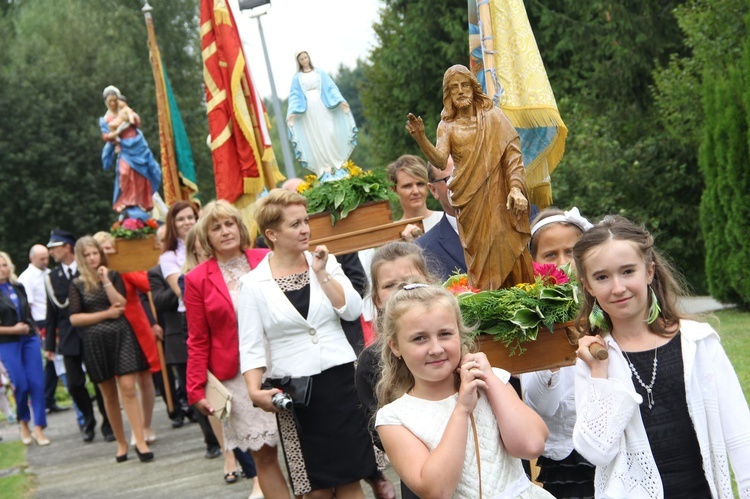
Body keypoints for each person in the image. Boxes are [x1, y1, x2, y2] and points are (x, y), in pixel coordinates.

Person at [572, 215, 750, 498]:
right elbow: (595, 451)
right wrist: (599, 373)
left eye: (628, 271)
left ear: (649, 271)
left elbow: (742, 436)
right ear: (588, 286)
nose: (617, 287)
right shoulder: (593, 359)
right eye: (602, 277)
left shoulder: (698, 343)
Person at [238, 188, 378, 498]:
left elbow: (353, 310)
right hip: (297, 392)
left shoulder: (325, 263)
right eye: (295, 224)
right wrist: (253, 391)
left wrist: (323, 273)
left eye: (305, 221)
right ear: (271, 233)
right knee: (314, 489)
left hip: (341, 380)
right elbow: (250, 346)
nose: (305, 229)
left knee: (350, 479)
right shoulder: (251, 284)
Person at [374, 284, 552, 497]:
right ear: (395, 346)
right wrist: (461, 410)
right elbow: (436, 490)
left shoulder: (489, 380)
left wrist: (491, 379)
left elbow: (531, 444)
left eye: (445, 334)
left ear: (460, 333)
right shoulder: (395, 418)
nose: (436, 349)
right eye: (419, 338)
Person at [184, 200, 288, 498]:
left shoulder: (267, 258)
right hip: (237, 377)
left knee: (305, 447)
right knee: (264, 456)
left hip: (283, 360)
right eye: (216, 227)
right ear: (206, 237)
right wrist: (195, 389)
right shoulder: (196, 279)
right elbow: (197, 338)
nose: (225, 231)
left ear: (240, 228)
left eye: (229, 223)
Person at [406, 64, 534, 290]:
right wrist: (421, 139)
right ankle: (488, 299)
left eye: (465, 85)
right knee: (480, 253)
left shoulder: (494, 117)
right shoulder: (446, 126)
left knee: (506, 242)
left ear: (474, 88)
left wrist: (515, 188)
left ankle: (520, 294)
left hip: (499, 194)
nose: (461, 91)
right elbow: (438, 160)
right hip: (469, 200)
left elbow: (512, 156)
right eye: (454, 87)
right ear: (448, 94)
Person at [519, 207, 595, 498]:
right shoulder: (530, 321)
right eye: (550, 255)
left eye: (572, 253)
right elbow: (541, 408)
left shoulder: (609, 309)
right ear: (533, 263)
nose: (563, 264)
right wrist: (549, 363)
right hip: (568, 463)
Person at [355, 242, 434, 499]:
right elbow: (381, 434)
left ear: (429, 281)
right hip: (419, 470)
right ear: (377, 299)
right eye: (389, 285)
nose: (402, 289)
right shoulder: (371, 361)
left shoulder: (453, 341)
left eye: (411, 280)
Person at [69, 236, 153, 463]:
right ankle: (121, 443)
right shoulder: (77, 284)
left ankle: (140, 440)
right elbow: (75, 318)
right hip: (95, 342)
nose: (92, 258)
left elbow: (121, 304)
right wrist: (105, 314)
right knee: (108, 393)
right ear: (80, 258)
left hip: (121, 335)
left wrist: (105, 280)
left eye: (95, 253)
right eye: (86, 255)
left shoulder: (113, 275)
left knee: (128, 387)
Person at [44, 230, 111, 443]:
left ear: (67, 247)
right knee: (74, 384)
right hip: (68, 337)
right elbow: (51, 312)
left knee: (100, 380)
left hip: (92, 332)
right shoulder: (52, 277)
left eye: (55, 247)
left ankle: (108, 423)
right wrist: (49, 345)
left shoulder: (86, 271)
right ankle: (88, 421)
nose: (51, 251)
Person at [94, 232, 158, 444]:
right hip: (116, 328)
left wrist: (122, 267)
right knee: (125, 382)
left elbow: (147, 285)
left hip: (138, 324)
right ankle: (136, 428)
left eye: (109, 248)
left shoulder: (125, 266)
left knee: (145, 377)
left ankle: (146, 424)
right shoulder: (96, 273)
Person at [0, 250, 50, 446]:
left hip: (28, 339)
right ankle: (24, 422)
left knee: (37, 383)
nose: (2, 270)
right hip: (7, 342)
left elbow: (28, 313)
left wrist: (32, 330)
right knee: (20, 385)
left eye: (4, 265)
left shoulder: (17, 287)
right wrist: (12, 330)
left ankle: (39, 427)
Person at [286, 51, 357, 178]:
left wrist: (340, 101)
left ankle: (337, 163)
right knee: (316, 136)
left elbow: (331, 88)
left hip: (323, 106)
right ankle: (324, 166)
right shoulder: (297, 78)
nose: (304, 60)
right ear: (299, 61)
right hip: (309, 111)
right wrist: (292, 113)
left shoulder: (319, 72)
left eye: (305, 57)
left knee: (329, 133)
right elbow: (295, 96)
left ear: (309, 58)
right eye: (301, 59)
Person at [18, 244, 69, 415]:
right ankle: (52, 396)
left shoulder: (49, 274)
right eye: (41, 258)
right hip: (40, 322)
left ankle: (48, 398)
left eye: (47, 257)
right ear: (32, 258)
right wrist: (37, 329)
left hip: (52, 319)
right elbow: (28, 306)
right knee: (54, 358)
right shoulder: (26, 278)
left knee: (53, 361)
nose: (45, 261)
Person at [99, 85, 161, 215]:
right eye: (109, 101)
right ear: (106, 102)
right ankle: (126, 201)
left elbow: (136, 121)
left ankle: (141, 201)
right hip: (124, 149)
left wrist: (129, 119)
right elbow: (106, 135)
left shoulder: (126, 110)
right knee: (124, 172)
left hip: (137, 144)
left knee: (141, 173)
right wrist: (115, 134)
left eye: (114, 100)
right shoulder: (106, 119)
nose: (112, 103)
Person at [415, 157, 467, 281]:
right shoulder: (423, 251)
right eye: (449, 179)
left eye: (465, 174)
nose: (460, 183)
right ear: (433, 190)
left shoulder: (506, 229)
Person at [387, 155, 442, 242]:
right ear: (394, 191)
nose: (416, 191)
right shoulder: (391, 234)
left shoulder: (444, 220)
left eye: (420, 184)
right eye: (407, 186)